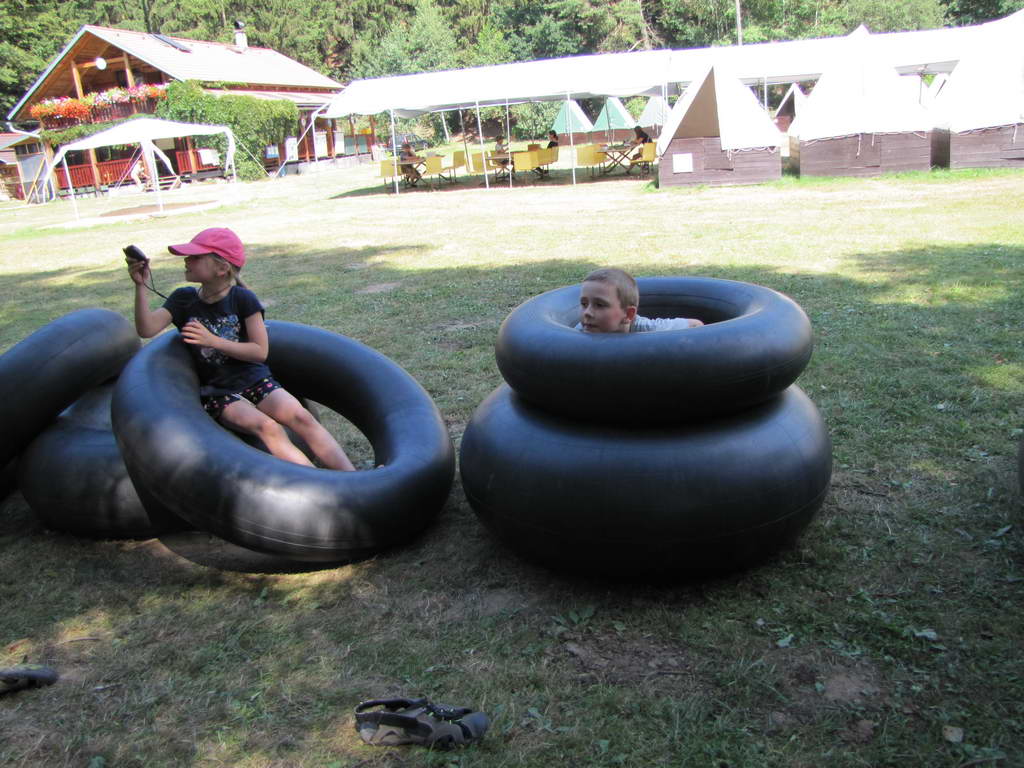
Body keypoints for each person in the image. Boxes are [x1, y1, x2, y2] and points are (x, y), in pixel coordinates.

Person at [127, 227, 357, 471]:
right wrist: (140, 286)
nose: (186, 260)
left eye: (195, 256)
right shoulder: (183, 299)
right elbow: (147, 329)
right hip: (218, 392)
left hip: (254, 378)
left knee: (301, 417)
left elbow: (259, 352)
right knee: (268, 427)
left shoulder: (243, 299)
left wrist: (213, 341)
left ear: (222, 268)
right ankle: (322, 483)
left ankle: (351, 476)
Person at [576, 268, 703, 333]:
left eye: (599, 305)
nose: (587, 312)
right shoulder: (581, 330)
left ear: (628, 314)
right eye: (584, 304)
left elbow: (696, 325)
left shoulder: (646, 329)